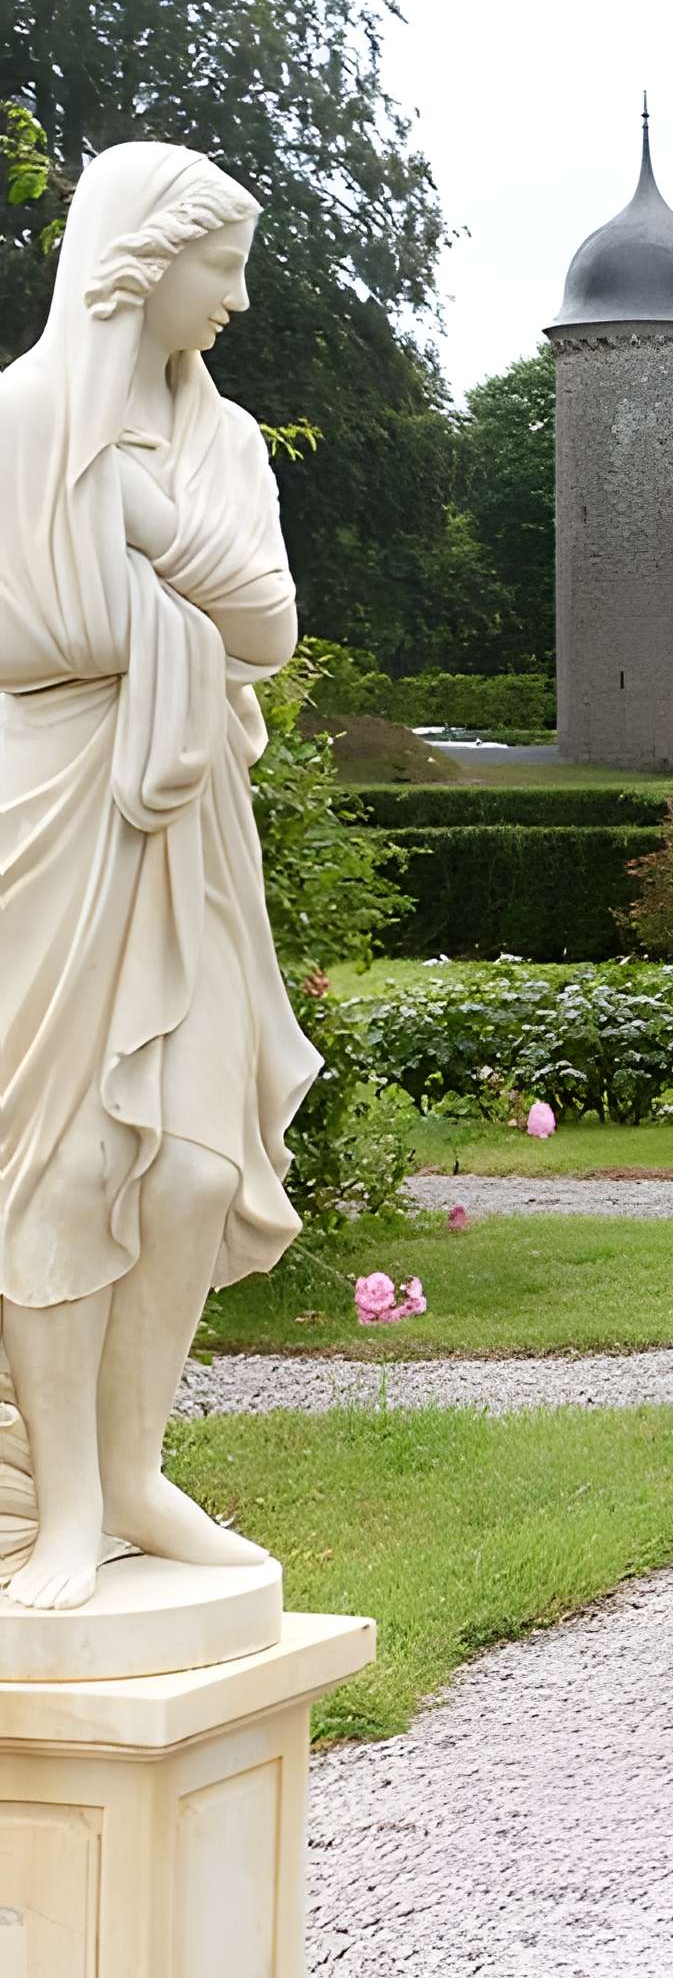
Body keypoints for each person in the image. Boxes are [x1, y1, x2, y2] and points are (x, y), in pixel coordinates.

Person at [0, 141, 311, 1609]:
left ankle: (136, 1473)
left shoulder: (222, 442)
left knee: (191, 1167)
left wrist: (139, 528)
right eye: (220, 264)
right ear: (142, 264)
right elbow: (24, 635)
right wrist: (159, 603)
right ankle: (67, 1506)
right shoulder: (22, 417)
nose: (236, 299)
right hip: (52, 813)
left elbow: (267, 627)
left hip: (188, 829)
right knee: (64, 1165)